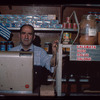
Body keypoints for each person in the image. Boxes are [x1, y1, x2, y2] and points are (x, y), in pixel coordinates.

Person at [10, 24, 58, 94]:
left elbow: (51, 63)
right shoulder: (11, 52)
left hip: (34, 91)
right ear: (19, 36)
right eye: (23, 33)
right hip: (14, 90)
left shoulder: (41, 52)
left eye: (29, 34)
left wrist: (55, 54)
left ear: (33, 37)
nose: (26, 36)